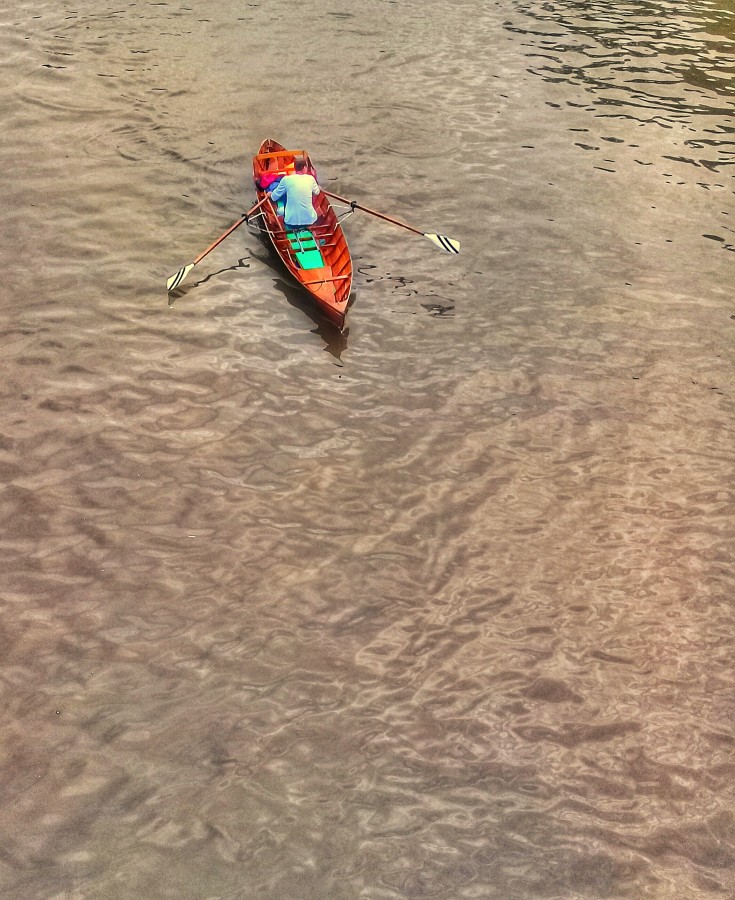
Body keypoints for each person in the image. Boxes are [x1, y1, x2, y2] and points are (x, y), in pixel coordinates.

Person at [268, 159, 320, 231]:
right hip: (310, 220)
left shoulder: (286, 179)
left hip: (290, 221)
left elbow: (274, 197)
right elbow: (317, 192)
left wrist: (270, 194)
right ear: (304, 168)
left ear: (295, 168)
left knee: (285, 196)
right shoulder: (311, 178)